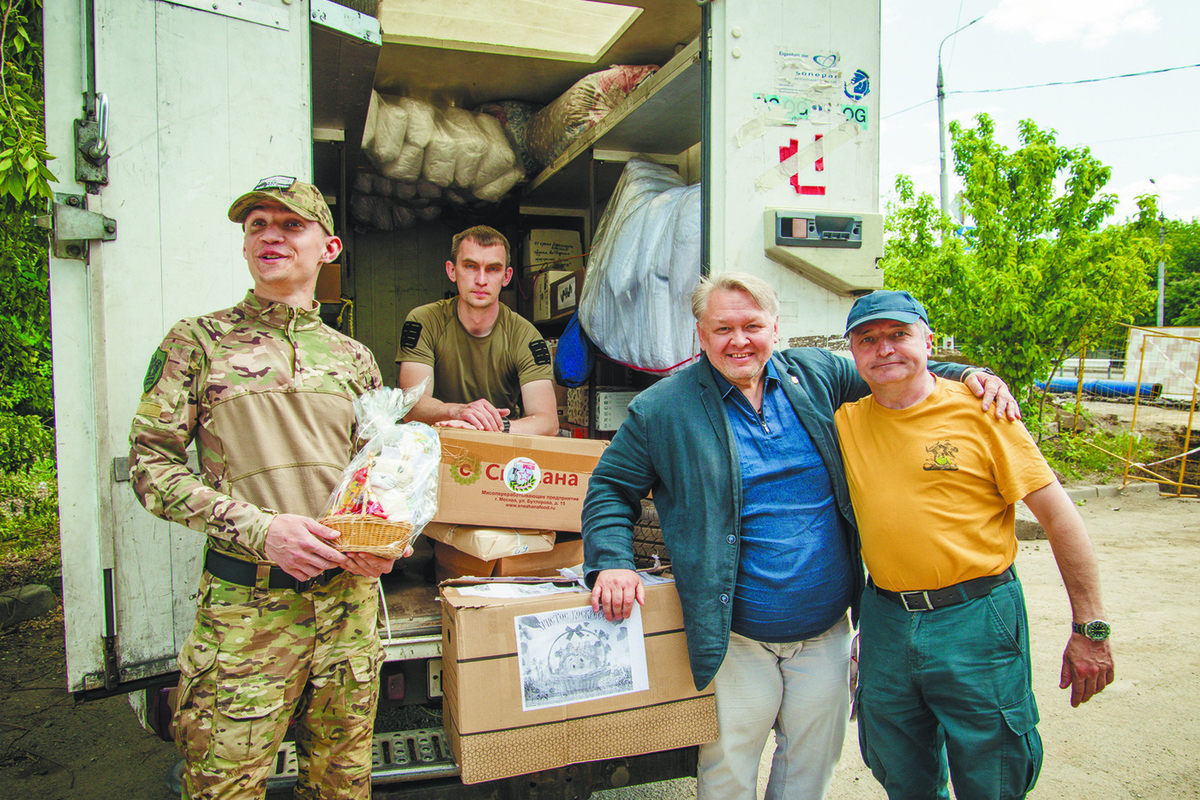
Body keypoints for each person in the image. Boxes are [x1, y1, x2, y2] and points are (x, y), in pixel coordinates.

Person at [582, 273, 1018, 800]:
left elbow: (895, 368)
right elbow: (609, 487)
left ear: (775, 328)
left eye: (752, 326)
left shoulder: (814, 376)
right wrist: (612, 561)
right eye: (723, 328)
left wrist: (971, 373)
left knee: (810, 765)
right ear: (700, 334)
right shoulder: (662, 409)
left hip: (827, 630)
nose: (738, 340)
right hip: (736, 635)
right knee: (728, 765)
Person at [129, 176, 406, 800]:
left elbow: (374, 477)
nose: (270, 235)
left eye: (290, 224)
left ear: (327, 248)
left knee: (343, 784)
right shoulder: (196, 343)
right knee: (225, 787)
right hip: (246, 613)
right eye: (257, 224)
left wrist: (388, 538)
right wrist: (262, 530)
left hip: (348, 608)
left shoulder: (353, 358)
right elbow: (152, 468)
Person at [834, 290, 1115, 800]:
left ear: (929, 340)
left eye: (899, 334)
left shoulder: (984, 411)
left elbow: (1060, 519)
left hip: (977, 617)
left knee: (995, 769)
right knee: (898, 764)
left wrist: (1090, 629)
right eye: (868, 339)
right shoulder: (846, 420)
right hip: (887, 619)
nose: (885, 349)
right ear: (852, 352)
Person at [396, 225, 558, 434]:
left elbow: (549, 422)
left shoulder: (525, 335)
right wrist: (459, 412)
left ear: (506, 276)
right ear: (452, 271)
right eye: (471, 266)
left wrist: (487, 427)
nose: (481, 280)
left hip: (500, 445)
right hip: (435, 441)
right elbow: (411, 407)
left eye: (493, 269)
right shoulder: (424, 321)